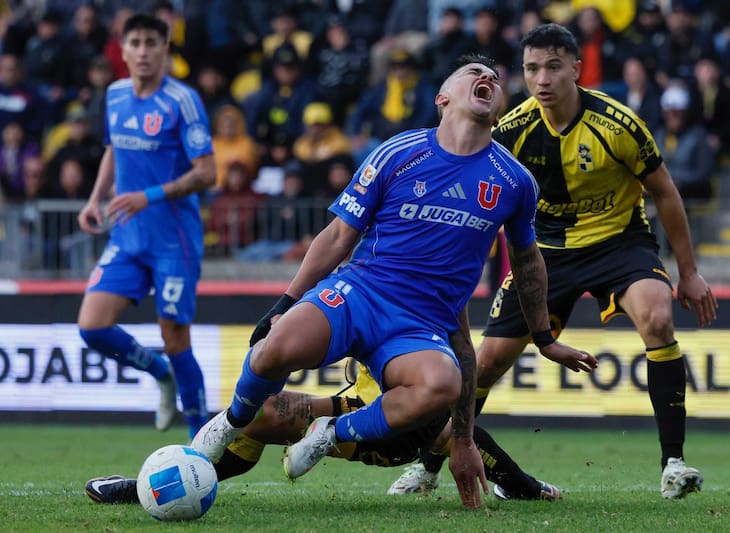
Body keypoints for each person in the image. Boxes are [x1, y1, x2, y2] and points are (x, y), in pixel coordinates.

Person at [191, 54, 596, 509]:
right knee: (272, 350)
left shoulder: (515, 181)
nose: (486, 77)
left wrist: (542, 336)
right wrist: (285, 301)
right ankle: (228, 423)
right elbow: (339, 235)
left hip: (419, 327)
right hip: (360, 294)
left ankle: (331, 433)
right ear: (443, 98)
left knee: (444, 384)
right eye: (472, 74)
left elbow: (528, 262)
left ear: (498, 108)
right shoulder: (397, 152)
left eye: (493, 78)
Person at [388, 23, 718, 501]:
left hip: (619, 246)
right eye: (530, 68)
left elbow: (664, 191)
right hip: (545, 254)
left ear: (576, 69)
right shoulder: (511, 130)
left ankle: (673, 463)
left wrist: (688, 272)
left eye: (553, 67)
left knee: (658, 317)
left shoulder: (618, 123)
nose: (541, 79)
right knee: (485, 363)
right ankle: (431, 466)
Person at [86, 360, 563, 504]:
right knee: (260, 414)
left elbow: (460, 418)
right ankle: (157, 488)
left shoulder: (419, 300)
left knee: (435, 419)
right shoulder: (360, 288)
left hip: (396, 426)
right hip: (355, 407)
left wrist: (528, 485)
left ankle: (518, 485)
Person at [76, 13, 216, 439]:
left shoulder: (182, 100)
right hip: (128, 235)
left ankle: (201, 445)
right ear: (122, 49)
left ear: (164, 48)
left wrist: (147, 195)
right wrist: (96, 197)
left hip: (173, 240)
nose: (142, 51)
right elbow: (113, 149)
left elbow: (208, 172)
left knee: (176, 340)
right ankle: (159, 374)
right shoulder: (115, 94)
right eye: (134, 42)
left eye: (151, 43)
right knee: (92, 327)